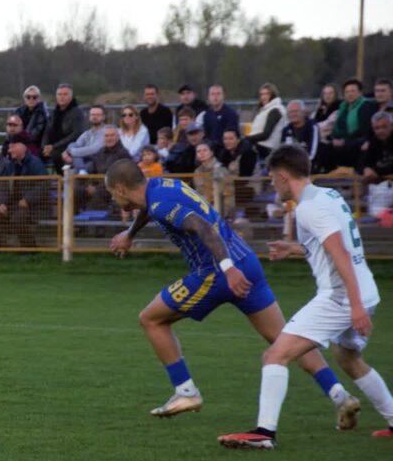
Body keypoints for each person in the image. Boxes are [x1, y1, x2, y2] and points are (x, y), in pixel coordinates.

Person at [105, 159, 354, 420]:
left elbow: (201, 227)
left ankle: (185, 391)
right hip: (246, 262)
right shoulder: (159, 186)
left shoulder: (159, 204)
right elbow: (149, 209)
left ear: (120, 189)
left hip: (217, 272)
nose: (113, 198)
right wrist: (130, 234)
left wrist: (227, 268)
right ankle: (340, 396)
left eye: (112, 193)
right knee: (285, 340)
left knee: (151, 319)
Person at [218, 145, 393, 448]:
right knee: (348, 358)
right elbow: (334, 246)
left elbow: (340, 254)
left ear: (284, 176)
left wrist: (353, 306)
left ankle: (264, 433)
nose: (272, 183)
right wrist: (295, 248)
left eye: (273, 177)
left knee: (275, 354)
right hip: (366, 291)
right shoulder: (327, 196)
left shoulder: (309, 208)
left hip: (341, 297)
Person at [325, 78, 377, 170]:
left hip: (359, 142)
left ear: (360, 92)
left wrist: (345, 142)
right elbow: (337, 128)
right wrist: (334, 139)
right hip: (343, 141)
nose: (349, 94)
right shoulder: (342, 107)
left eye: (353, 91)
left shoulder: (366, 106)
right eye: (347, 92)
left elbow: (365, 131)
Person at [244, 83, 288, 159]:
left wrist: (247, 138)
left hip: (267, 148)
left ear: (273, 95)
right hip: (260, 145)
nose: (263, 97)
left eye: (267, 94)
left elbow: (266, 134)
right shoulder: (266, 110)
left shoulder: (275, 110)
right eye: (262, 94)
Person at [62, 105, 107, 172]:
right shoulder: (87, 133)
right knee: (72, 145)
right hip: (85, 160)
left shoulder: (107, 131)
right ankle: (82, 171)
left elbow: (93, 150)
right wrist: (66, 152)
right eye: (92, 115)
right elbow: (76, 145)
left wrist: (71, 152)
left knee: (78, 157)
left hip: (99, 161)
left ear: (103, 117)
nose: (95, 117)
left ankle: (81, 172)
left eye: (98, 115)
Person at [280, 100, 319, 165]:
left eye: (296, 111)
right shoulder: (286, 130)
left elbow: (313, 152)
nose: (293, 114)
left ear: (303, 112)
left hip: (309, 165)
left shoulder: (312, 126)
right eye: (290, 112)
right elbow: (283, 151)